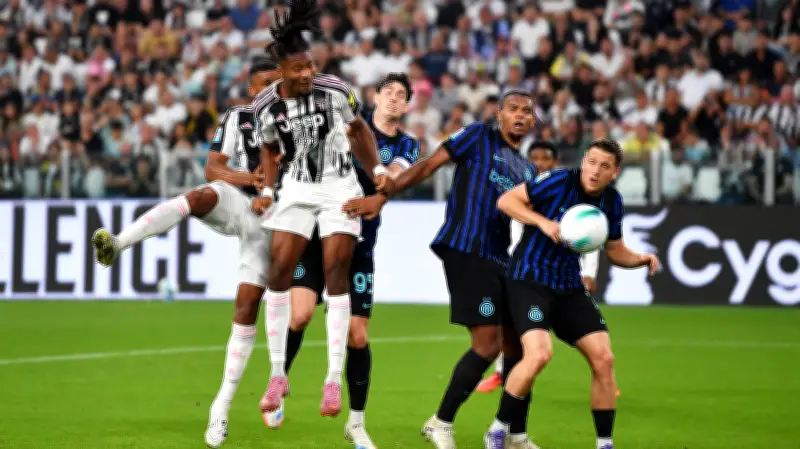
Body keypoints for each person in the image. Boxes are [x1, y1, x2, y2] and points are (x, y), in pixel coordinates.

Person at [88, 58, 281, 449]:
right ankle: (118, 244)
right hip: (240, 201)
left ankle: (226, 403)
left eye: (276, 84)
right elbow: (213, 167)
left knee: (247, 305)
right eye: (264, 84)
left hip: (279, 218)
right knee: (197, 196)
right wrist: (249, 178)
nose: (270, 91)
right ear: (251, 89)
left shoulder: (297, 119)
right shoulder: (238, 118)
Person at [263, 73, 419, 449]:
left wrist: (380, 191)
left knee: (358, 335)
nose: (394, 98)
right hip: (316, 233)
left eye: (401, 94)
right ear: (374, 97)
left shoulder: (407, 144)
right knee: (299, 315)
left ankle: (356, 422)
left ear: (406, 105)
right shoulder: (343, 121)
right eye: (388, 92)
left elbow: (393, 178)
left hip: (359, 243)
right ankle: (279, 382)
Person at [250, 0, 388, 422]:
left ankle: (332, 379)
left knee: (335, 272)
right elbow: (269, 148)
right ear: (281, 71)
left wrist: (377, 170)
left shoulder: (335, 90)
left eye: (310, 65)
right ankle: (278, 374)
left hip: (339, 185)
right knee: (278, 271)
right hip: (296, 187)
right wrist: (269, 188)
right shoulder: (265, 105)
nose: (307, 73)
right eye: (298, 69)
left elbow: (359, 130)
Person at [380, 90, 538, 449]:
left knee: (519, 346)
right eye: (513, 109)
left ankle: (515, 435)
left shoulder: (528, 170)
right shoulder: (479, 136)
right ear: (499, 115)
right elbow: (430, 164)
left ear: (532, 121)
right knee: (487, 345)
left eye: (526, 111)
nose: (519, 115)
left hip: (500, 258)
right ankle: (441, 422)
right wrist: (385, 193)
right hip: (467, 249)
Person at [484, 139, 660, 449]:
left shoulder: (612, 201)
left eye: (604, 166)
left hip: (568, 288)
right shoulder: (558, 181)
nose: (595, 171)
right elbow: (507, 201)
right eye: (591, 162)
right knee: (539, 354)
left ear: (615, 173)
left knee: (604, 359)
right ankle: (498, 431)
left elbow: (615, 251)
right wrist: (543, 223)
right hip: (529, 281)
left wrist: (641, 259)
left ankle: (604, 444)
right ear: (583, 162)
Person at [476, 142, 600, 394]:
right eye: (535, 158)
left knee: (582, 331)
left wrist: (590, 272)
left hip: (561, 277)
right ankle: (501, 373)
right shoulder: (519, 192)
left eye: (545, 158)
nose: (540, 163)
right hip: (521, 271)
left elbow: (589, 234)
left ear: (555, 162)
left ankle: (602, 372)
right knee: (509, 326)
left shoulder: (570, 192)